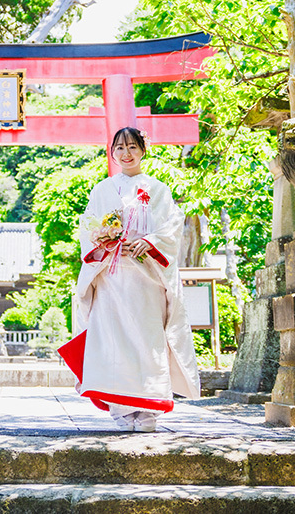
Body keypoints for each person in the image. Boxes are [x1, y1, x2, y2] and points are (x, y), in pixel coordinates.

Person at [59, 127, 200, 431]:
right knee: (113, 342)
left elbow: (171, 229)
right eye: (120, 148)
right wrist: (105, 240)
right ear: (112, 152)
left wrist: (149, 241)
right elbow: (88, 230)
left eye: (132, 147)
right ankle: (121, 409)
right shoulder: (101, 190)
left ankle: (147, 409)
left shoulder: (158, 189)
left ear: (142, 150)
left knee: (148, 340)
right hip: (111, 278)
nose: (126, 154)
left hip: (146, 277)